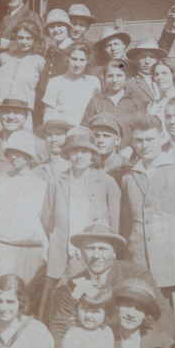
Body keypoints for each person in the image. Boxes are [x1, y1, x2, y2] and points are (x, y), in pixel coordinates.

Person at [121, 116, 175, 348]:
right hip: (141, 268)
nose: (144, 145)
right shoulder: (129, 177)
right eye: (138, 140)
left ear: (162, 138)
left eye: (150, 139)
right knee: (149, 333)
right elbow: (127, 225)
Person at [0, 131, 49, 334]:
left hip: (31, 252)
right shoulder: (0, 180)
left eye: (19, 153)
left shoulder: (41, 185)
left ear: (29, 156)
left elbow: (46, 222)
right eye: (11, 153)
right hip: (1, 250)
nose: (14, 157)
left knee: (24, 303)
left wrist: (45, 249)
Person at [40, 131, 121, 315]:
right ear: (67, 154)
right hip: (62, 252)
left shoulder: (106, 182)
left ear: (93, 154)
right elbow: (46, 218)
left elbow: (114, 224)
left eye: (84, 151)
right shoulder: (57, 181)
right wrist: (58, 240)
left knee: (91, 303)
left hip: (92, 254)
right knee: (58, 303)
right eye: (74, 151)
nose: (79, 156)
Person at [46, 225, 154, 348]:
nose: (96, 255)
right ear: (81, 252)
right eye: (90, 248)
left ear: (114, 253)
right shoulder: (69, 287)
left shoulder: (136, 275)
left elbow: (158, 318)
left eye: (103, 249)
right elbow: (59, 328)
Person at [0, 20, 45, 134]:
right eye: (21, 38)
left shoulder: (39, 62)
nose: (24, 42)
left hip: (20, 114)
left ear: (35, 40)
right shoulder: (3, 57)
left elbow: (41, 90)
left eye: (29, 38)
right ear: (15, 38)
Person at [81, 59, 146, 151]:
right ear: (104, 77)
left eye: (119, 76)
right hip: (101, 152)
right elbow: (85, 130)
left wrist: (131, 149)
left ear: (126, 77)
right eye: (110, 76)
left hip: (130, 153)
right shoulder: (96, 101)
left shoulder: (136, 101)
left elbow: (142, 130)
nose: (114, 80)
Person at [0, 99, 47, 173]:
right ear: (0, 114)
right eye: (6, 111)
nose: (11, 117)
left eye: (17, 112)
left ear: (26, 116)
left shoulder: (39, 145)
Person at [42, 42, 100, 126]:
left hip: (85, 131)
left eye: (82, 60)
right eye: (74, 59)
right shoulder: (55, 82)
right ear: (67, 59)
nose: (77, 64)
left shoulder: (94, 82)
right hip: (61, 130)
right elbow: (48, 114)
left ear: (87, 61)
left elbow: (97, 110)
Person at [34, 115, 74, 183]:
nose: (53, 139)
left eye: (58, 134)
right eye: (49, 135)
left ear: (67, 137)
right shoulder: (39, 168)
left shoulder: (75, 166)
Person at [126, 38, 166, 105]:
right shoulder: (130, 83)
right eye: (143, 57)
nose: (147, 62)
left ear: (157, 60)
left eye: (152, 57)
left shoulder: (164, 79)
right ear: (136, 59)